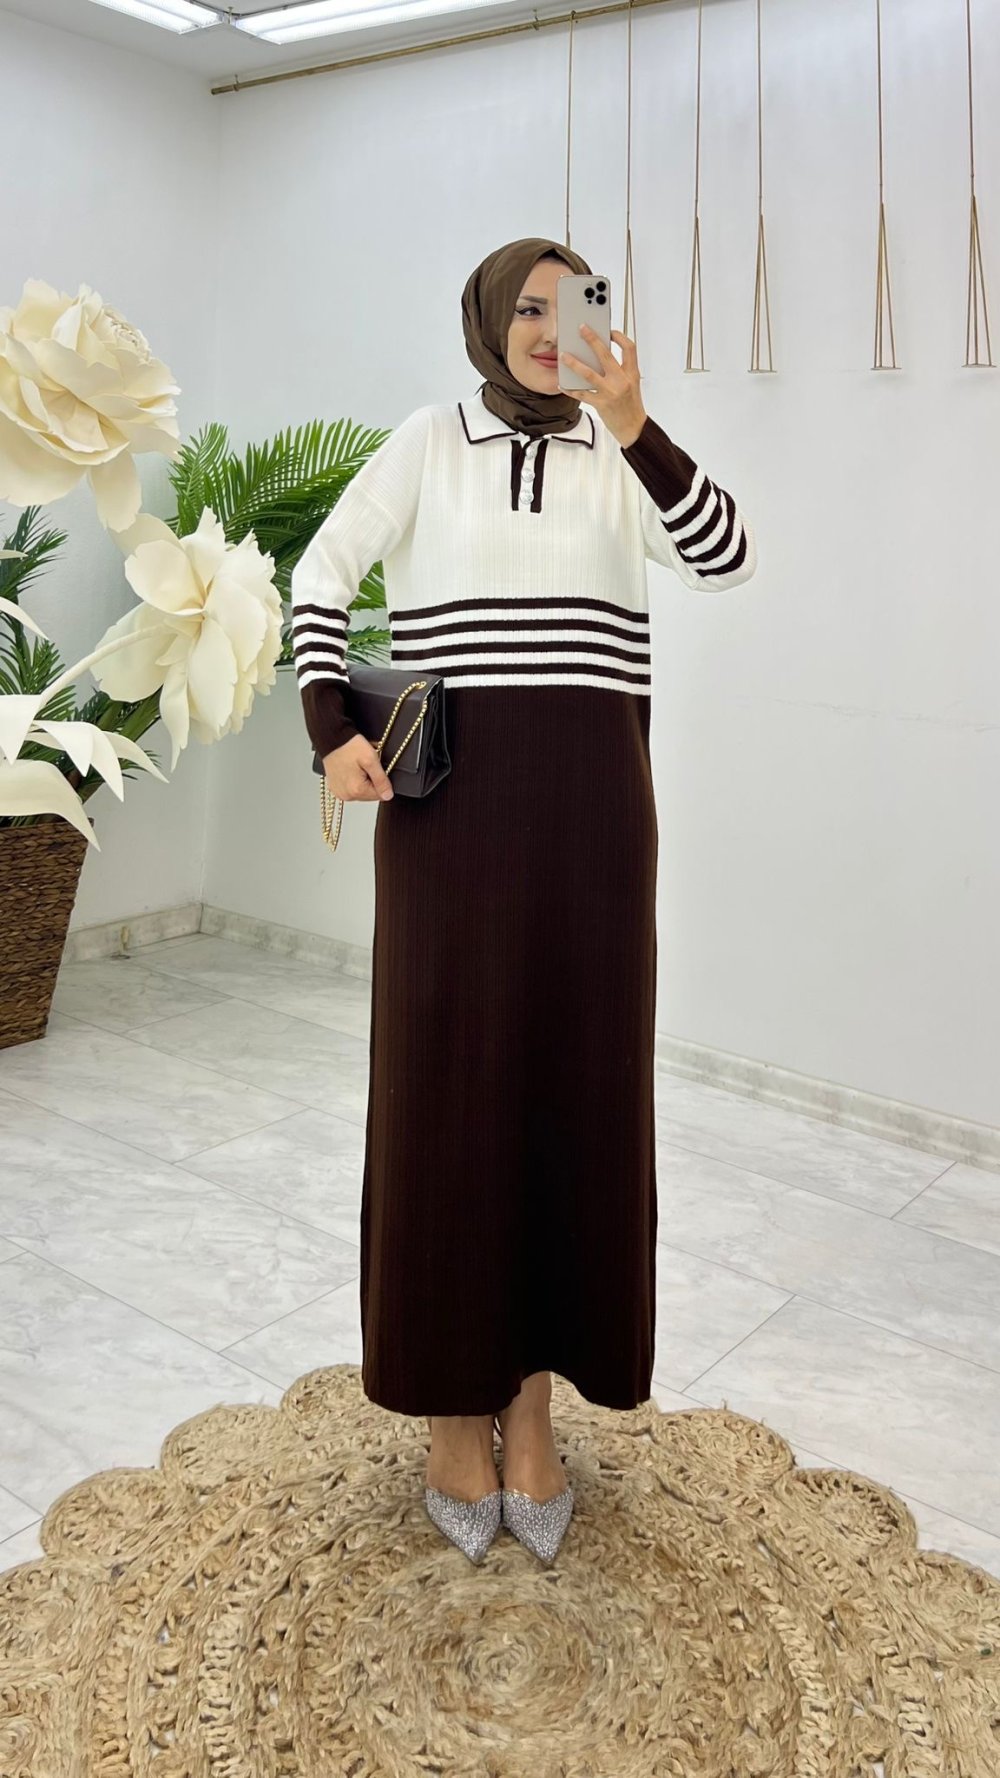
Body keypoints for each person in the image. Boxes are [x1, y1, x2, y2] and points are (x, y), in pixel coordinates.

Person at [290, 235, 757, 1566]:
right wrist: (331, 729)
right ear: (491, 319)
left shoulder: (621, 452)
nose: (554, 329)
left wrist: (639, 424)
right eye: (532, 308)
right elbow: (319, 581)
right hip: (450, 827)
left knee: (575, 1098)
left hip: (598, 831)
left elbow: (727, 557)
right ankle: (454, 1410)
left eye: (578, 306)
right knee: (451, 1096)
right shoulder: (426, 443)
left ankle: (536, 1407)